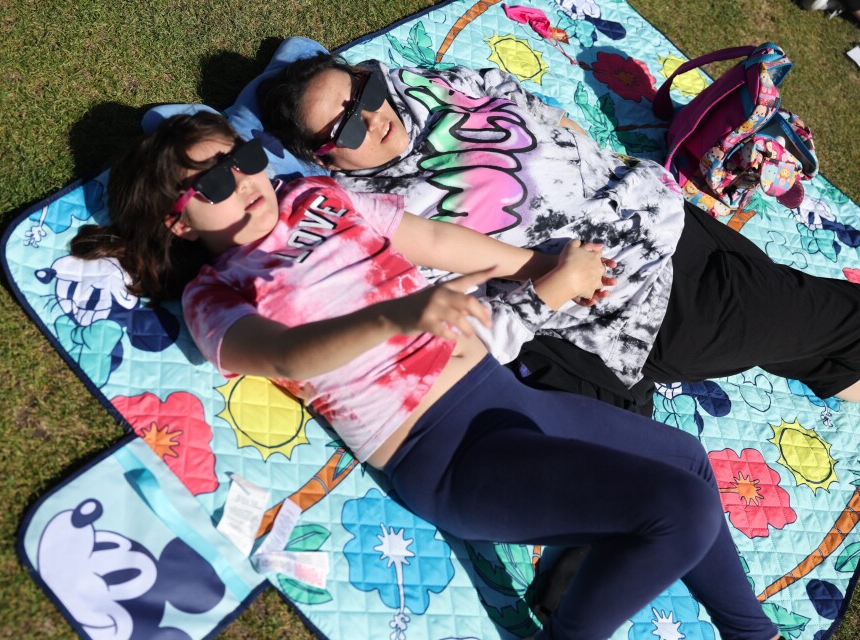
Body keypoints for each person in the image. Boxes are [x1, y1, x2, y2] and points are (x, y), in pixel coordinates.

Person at [70, 111, 782, 640]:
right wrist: (397, 317)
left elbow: (434, 239)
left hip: (506, 398)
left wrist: (539, 266)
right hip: (446, 456)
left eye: (245, 156)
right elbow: (283, 357)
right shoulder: (216, 294)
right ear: (180, 226)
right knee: (678, 511)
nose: (247, 180)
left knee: (688, 464)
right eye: (215, 182)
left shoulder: (317, 197)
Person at [257, 53, 860, 414]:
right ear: (327, 161)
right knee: (840, 317)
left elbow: (502, 86)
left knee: (815, 338)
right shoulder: (387, 212)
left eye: (361, 92)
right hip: (648, 301)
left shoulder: (421, 88)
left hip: (663, 214)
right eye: (346, 129)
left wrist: (572, 136)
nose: (370, 117)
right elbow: (467, 305)